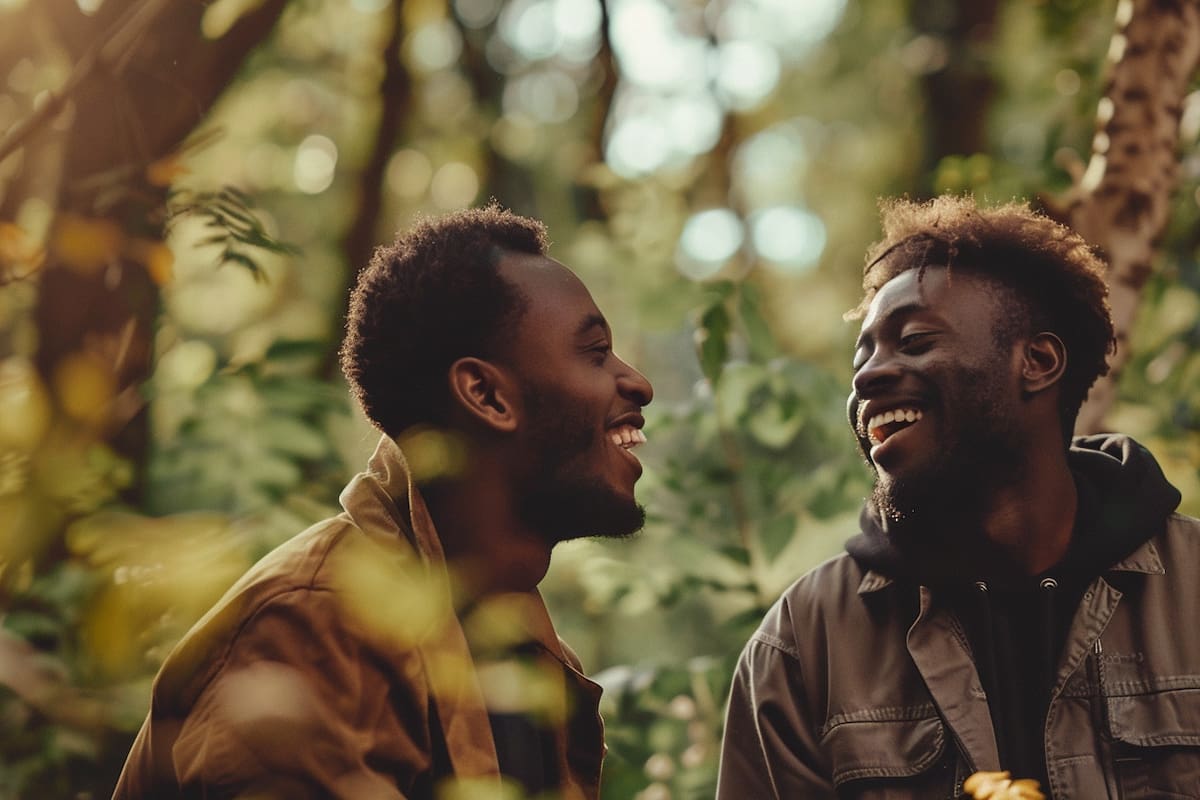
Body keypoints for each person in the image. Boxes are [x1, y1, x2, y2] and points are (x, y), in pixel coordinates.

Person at [113, 205, 653, 799]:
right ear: (486, 395)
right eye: (596, 353)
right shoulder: (317, 623)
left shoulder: (522, 648)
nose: (638, 383)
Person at [717, 195, 1200, 798]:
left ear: (1039, 362)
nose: (866, 378)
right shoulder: (804, 642)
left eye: (914, 340)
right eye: (862, 356)